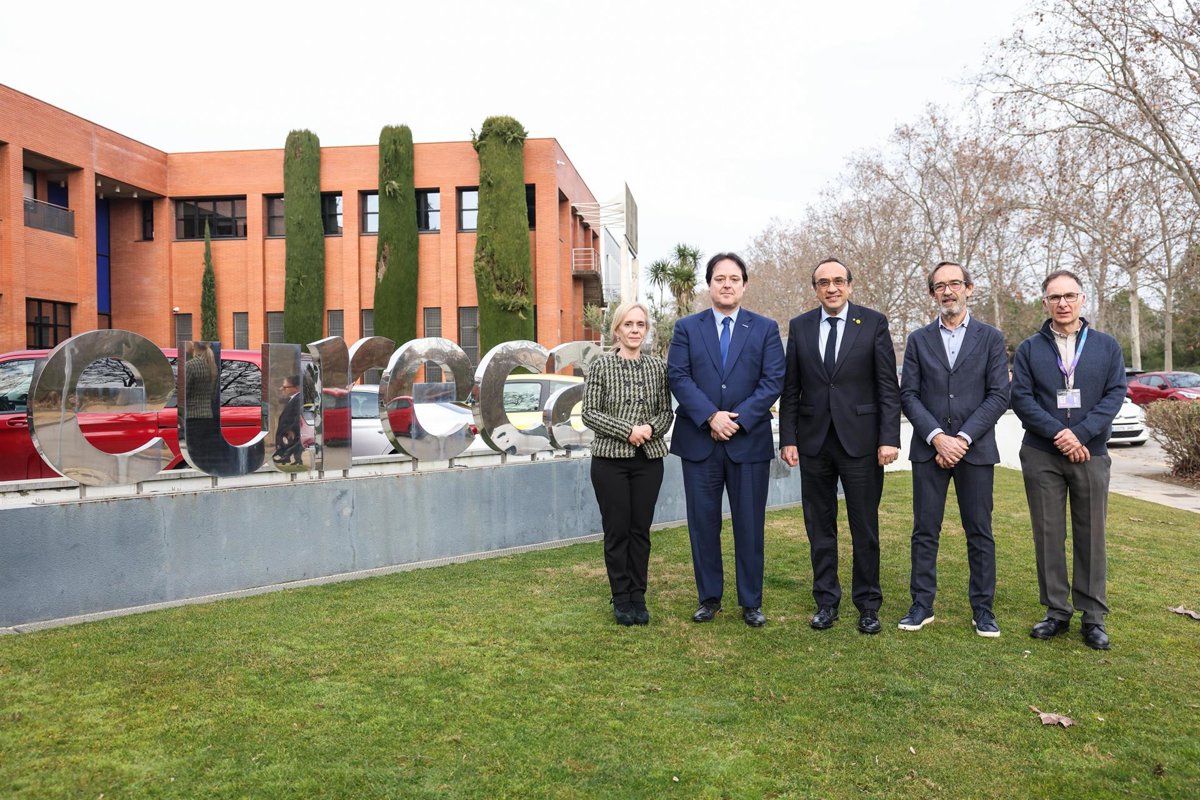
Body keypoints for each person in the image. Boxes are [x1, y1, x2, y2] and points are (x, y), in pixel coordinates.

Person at [778, 258, 901, 635]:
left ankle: (868, 604)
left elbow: (887, 386)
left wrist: (889, 437)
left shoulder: (873, 323)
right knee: (819, 527)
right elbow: (791, 388)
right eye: (823, 283)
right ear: (815, 289)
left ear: (850, 285)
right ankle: (826, 602)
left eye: (837, 281)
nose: (831, 288)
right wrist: (788, 438)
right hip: (814, 442)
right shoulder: (800, 326)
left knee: (865, 527)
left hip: (862, 442)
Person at [667, 252, 785, 627]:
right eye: (720, 278)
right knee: (703, 525)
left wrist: (739, 419)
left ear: (744, 285)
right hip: (699, 442)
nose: (727, 284)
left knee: (749, 525)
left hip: (747, 442)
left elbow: (773, 380)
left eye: (734, 278)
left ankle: (751, 602)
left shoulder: (765, 329)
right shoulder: (687, 328)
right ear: (709, 285)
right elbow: (678, 376)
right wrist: (710, 416)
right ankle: (709, 599)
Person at [1011, 270, 1126, 651]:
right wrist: (1060, 435)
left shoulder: (1106, 346)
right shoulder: (1029, 349)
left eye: (1069, 296)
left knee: (1091, 534)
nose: (1063, 303)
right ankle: (1056, 612)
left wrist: (1081, 434)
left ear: (1082, 299)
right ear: (1045, 302)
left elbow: (1114, 394)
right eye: (1055, 297)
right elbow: (1022, 399)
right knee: (1048, 533)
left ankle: (1093, 616)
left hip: (1091, 452)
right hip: (1042, 453)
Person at [898, 262, 1010, 637]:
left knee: (979, 531)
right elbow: (908, 395)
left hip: (974, 451)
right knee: (924, 530)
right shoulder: (918, 339)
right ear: (933, 293)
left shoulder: (990, 338)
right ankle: (921, 604)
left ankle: (983, 609)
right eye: (940, 286)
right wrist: (936, 436)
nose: (948, 291)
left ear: (969, 288)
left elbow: (999, 395)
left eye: (955, 284)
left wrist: (962, 439)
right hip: (929, 449)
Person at [582, 301, 674, 626]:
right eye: (628, 324)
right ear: (617, 330)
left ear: (646, 329)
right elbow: (589, 413)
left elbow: (667, 412)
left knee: (640, 531)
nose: (635, 330)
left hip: (648, 461)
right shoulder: (601, 366)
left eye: (640, 324)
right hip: (610, 462)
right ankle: (621, 597)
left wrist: (649, 429)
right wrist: (628, 431)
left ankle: (638, 595)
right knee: (617, 530)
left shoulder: (658, 368)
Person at [275, 375, 304, 465]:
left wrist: (292, 430)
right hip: (287, 432)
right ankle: (287, 458)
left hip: (292, 431)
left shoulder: (299, 399)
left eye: (285, 387)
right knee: (289, 447)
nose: (281, 389)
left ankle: (291, 459)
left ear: (297, 388)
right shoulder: (292, 399)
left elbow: (297, 417)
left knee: (293, 447)